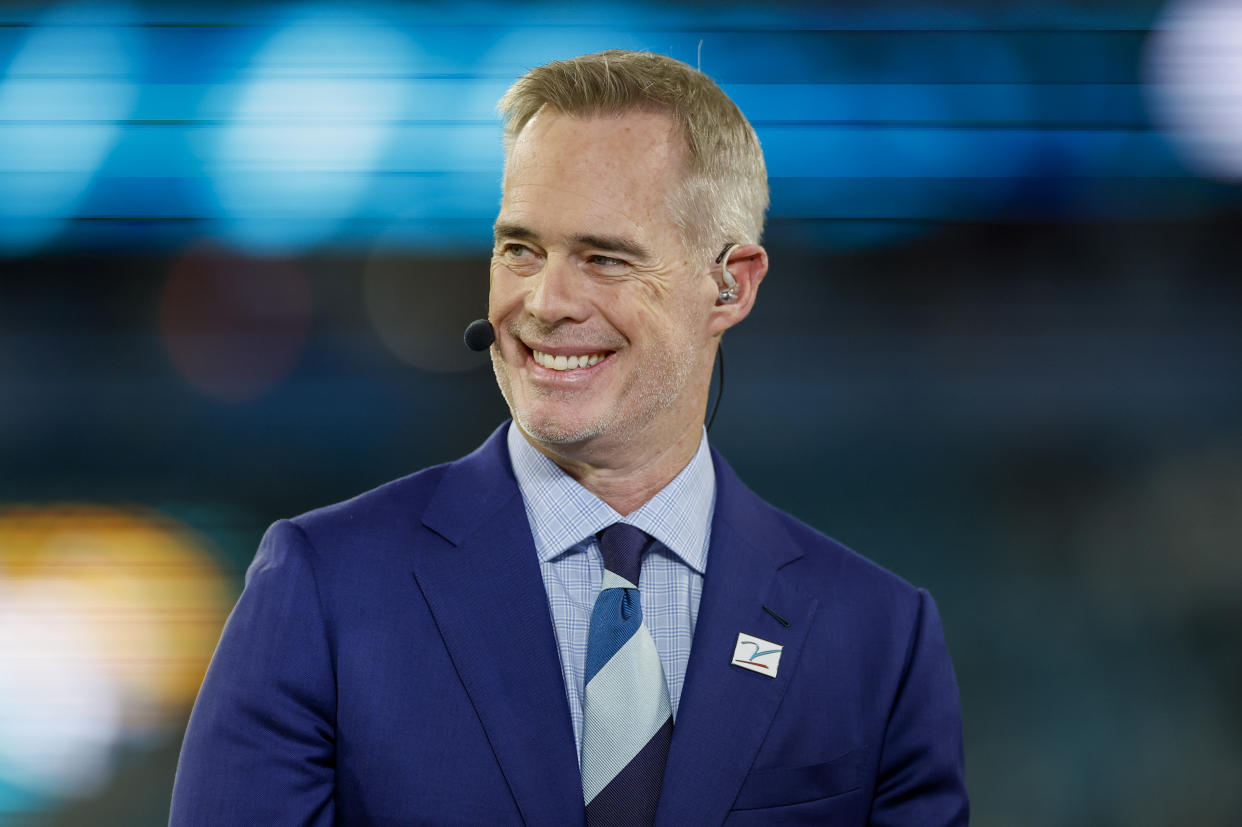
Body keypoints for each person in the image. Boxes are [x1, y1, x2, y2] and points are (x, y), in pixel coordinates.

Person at [170, 50, 968, 825]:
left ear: (731, 283)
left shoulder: (877, 636)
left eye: (605, 257)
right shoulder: (324, 589)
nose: (545, 301)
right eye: (521, 248)